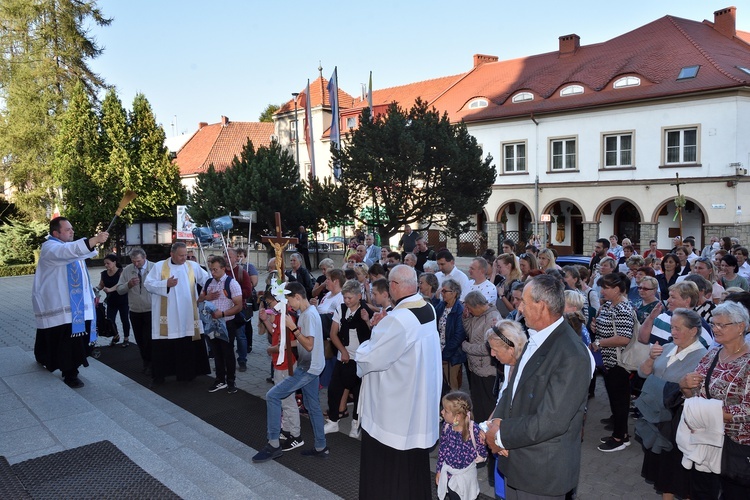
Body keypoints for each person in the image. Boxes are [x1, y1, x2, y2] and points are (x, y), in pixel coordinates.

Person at [484, 275, 592, 498]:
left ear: (541, 306)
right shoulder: (535, 338)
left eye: (523, 302)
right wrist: (495, 426)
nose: (519, 308)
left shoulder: (572, 354)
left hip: (541, 473)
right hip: (515, 460)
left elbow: (551, 421)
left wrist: (501, 435)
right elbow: (511, 390)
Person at [356, 264, 441, 499]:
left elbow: (369, 359)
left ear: (393, 286)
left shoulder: (398, 320)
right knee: (412, 468)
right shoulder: (428, 308)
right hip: (418, 401)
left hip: (393, 415)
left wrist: (377, 327)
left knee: (388, 473)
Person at [679, 301, 750, 499]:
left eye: (721, 325)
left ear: (740, 327)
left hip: (735, 446)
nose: (715, 329)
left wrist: (710, 415)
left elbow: (748, 409)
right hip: (705, 441)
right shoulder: (712, 354)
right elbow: (695, 397)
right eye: (713, 324)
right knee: (702, 493)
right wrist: (684, 386)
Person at [252, 281, 328, 462]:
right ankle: (321, 446)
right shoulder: (307, 313)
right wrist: (283, 344)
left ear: (298, 297)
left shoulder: (308, 315)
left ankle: (273, 445)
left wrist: (292, 328)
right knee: (313, 407)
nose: (288, 305)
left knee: (272, 396)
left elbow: (308, 345)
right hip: (312, 365)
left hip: (308, 368)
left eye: (289, 300)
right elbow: (308, 342)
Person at [637, 308, 707, 500]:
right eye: (672, 327)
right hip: (657, 419)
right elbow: (643, 373)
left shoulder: (703, 357)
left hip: (679, 423)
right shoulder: (667, 348)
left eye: (677, 328)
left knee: (680, 474)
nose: (672, 332)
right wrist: (651, 358)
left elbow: (697, 394)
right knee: (664, 471)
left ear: (693, 331)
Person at [33, 217, 109, 388]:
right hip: (59, 304)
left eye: (71, 229)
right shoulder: (50, 248)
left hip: (76, 306)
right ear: (56, 233)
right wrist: (95, 239)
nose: (72, 231)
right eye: (67, 230)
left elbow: (80, 252)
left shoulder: (70, 248)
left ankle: (46, 358)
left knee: (62, 339)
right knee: (64, 341)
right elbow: (68, 252)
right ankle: (70, 374)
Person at [143, 242, 212, 384]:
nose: (184, 258)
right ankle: (160, 376)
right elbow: (148, 284)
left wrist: (210, 291)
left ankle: (187, 375)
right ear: (172, 254)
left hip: (188, 313)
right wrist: (165, 284)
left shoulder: (192, 266)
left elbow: (207, 280)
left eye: (185, 254)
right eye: (181, 255)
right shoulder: (159, 266)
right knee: (165, 345)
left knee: (186, 344)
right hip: (168, 315)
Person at [590, 272, 637, 452]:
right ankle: (621, 433)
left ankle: (619, 438)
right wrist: (597, 327)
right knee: (615, 399)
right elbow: (607, 328)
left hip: (619, 362)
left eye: (606, 287)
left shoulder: (623, 308)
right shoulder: (610, 305)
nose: (602, 291)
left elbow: (624, 338)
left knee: (620, 401)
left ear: (617, 289)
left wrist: (599, 342)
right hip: (609, 361)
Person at [324, 280, 373, 437]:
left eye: (350, 298)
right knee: (333, 390)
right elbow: (333, 333)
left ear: (359, 296)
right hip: (343, 357)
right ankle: (333, 421)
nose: (346, 301)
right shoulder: (341, 308)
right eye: (345, 297)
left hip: (360, 360)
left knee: (359, 393)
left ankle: (355, 423)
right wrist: (343, 351)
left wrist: (367, 321)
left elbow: (375, 335)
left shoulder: (366, 310)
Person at [257, 291, 304, 452]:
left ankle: (296, 435)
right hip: (279, 362)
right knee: (284, 400)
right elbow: (275, 334)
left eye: (270, 304)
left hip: (286, 363)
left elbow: (291, 342)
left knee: (288, 400)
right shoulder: (279, 315)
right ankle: (288, 429)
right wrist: (265, 321)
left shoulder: (287, 316)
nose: (270, 307)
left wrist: (272, 349)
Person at [197, 256, 243, 394]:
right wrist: (206, 297)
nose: (212, 272)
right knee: (216, 353)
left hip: (227, 323)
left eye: (215, 269)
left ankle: (231, 381)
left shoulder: (232, 283)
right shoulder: (208, 282)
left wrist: (222, 314)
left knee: (228, 353)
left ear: (223, 268)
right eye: (211, 269)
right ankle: (220, 379)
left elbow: (239, 306)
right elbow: (199, 300)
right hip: (212, 324)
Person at [435, 391, 487, 500]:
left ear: (457, 416)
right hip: (450, 475)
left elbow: (483, 454)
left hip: (466, 477)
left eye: (446, 410)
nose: (442, 412)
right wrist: (439, 470)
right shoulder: (447, 427)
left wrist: (484, 441)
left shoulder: (474, 430)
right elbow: (442, 450)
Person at [115, 247, 154, 373]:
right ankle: (146, 362)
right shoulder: (127, 270)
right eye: (133, 261)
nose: (136, 264)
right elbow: (120, 289)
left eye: (138, 261)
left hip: (151, 309)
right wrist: (128, 285)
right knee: (140, 339)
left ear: (145, 257)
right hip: (135, 310)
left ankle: (152, 363)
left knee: (149, 339)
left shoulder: (154, 268)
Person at [435, 279, 466, 392]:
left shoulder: (459, 310)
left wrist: (445, 355)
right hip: (439, 353)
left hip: (452, 355)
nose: (442, 293)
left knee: (452, 386)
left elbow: (458, 336)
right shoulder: (441, 306)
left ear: (454, 293)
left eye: (444, 291)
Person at [225, 246, 254, 370]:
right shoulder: (221, 272)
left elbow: (248, 291)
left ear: (236, 258)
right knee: (225, 337)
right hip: (224, 310)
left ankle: (242, 360)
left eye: (229, 256)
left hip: (238, 309)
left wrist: (233, 292)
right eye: (224, 256)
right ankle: (226, 361)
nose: (226, 259)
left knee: (240, 335)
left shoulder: (242, 272)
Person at [97, 253, 129, 346]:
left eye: (108, 263)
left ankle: (126, 338)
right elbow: (101, 285)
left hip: (123, 299)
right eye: (105, 264)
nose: (106, 265)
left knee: (124, 319)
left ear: (114, 262)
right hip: (111, 300)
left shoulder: (121, 272)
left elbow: (121, 283)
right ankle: (116, 335)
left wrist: (110, 289)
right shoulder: (103, 274)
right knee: (110, 319)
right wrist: (95, 289)